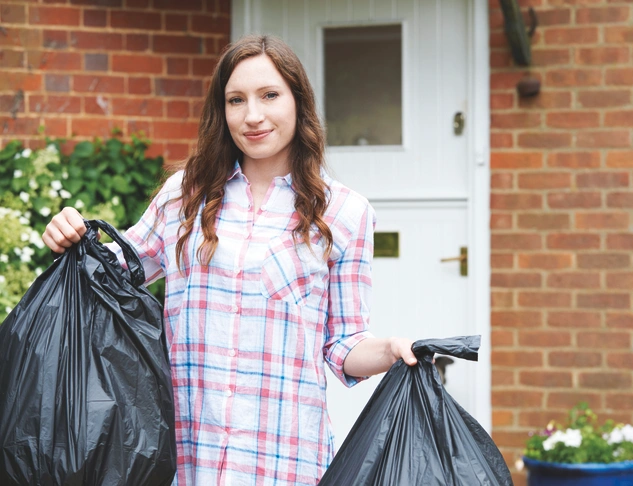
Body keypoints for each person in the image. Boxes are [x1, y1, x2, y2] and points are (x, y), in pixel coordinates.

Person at [42, 34, 417, 486]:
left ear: (298, 102)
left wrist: (391, 351)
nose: (252, 116)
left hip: (285, 460)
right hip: (183, 457)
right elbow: (115, 269)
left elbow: (343, 344)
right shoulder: (185, 195)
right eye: (236, 100)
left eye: (269, 96)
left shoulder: (345, 213)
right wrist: (71, 233)